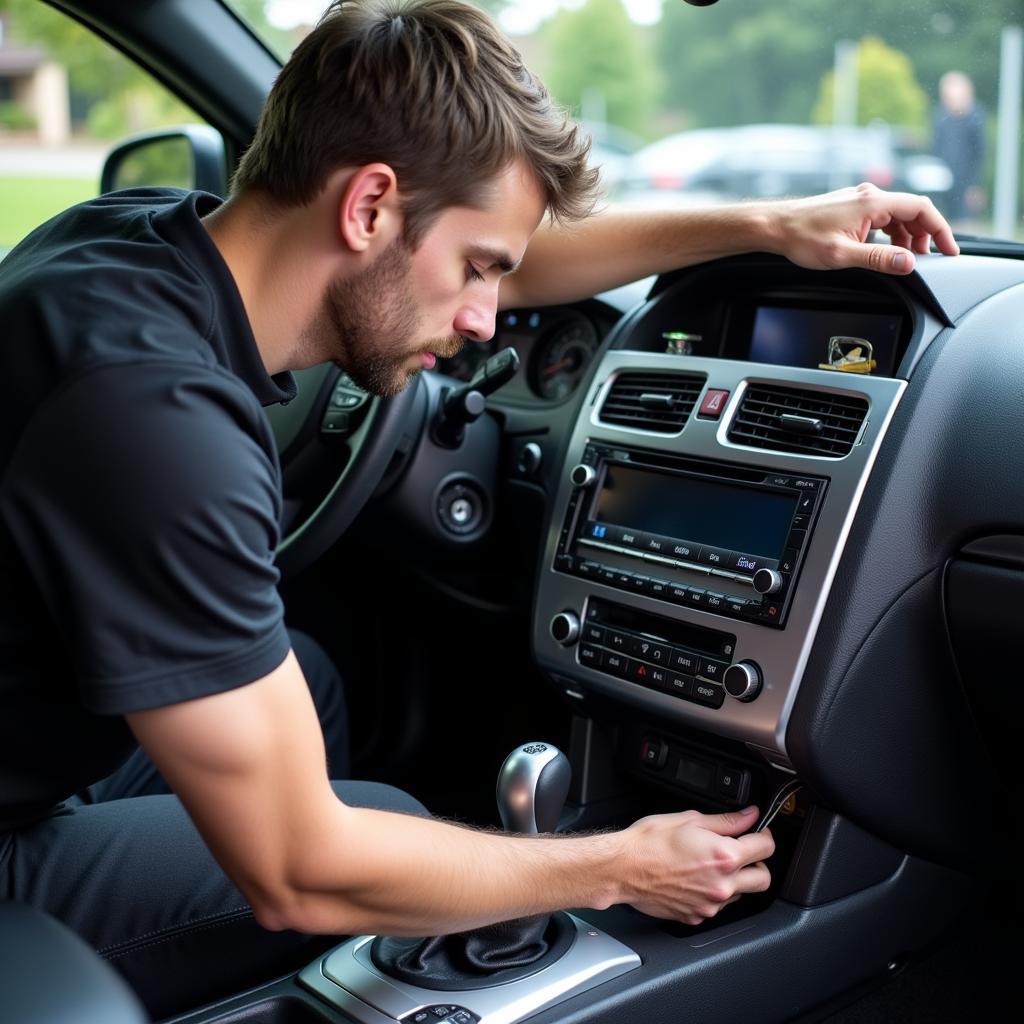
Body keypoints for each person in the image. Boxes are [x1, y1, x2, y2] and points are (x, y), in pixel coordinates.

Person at [0, 0, 958, 1017]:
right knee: (367, 824)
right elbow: (298, 867)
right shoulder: (156, 417)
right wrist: (618, 868)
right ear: (367, 206)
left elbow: (487, 252)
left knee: (311, 683)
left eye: (495, 273)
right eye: (478, 270)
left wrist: (763, 224)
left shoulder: (131, 243)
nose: (483, 320)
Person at [933, 70, 986, 223]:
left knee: (964, 222)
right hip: (942, 181)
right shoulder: (941, 117)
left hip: (966, 183)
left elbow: (980, 154)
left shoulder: (975, 118)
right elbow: (935, 149)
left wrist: (975, 185)